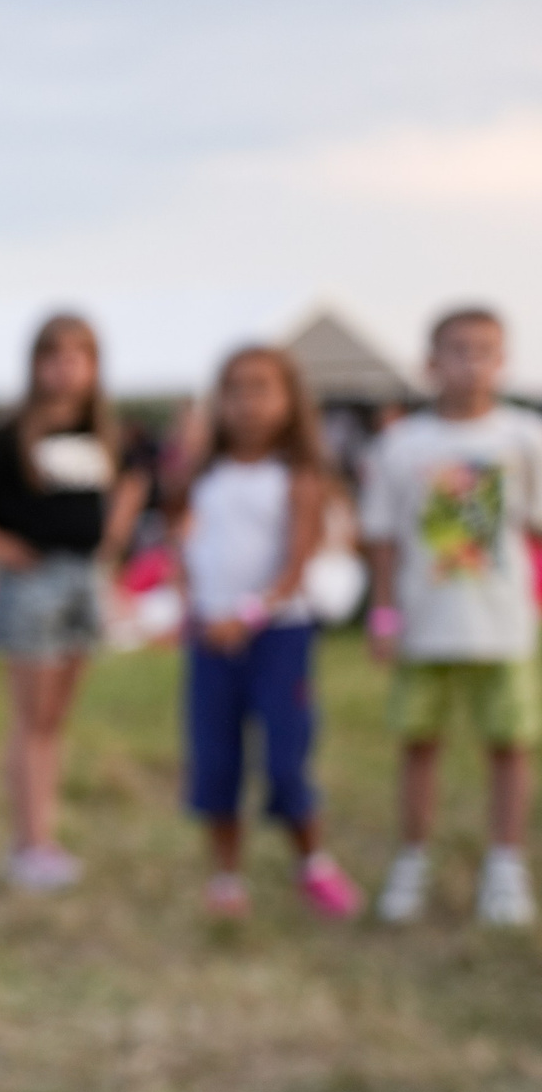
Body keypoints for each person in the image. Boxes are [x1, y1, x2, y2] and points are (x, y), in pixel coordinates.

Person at [0, 313, 152, 891]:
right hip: (31, 582)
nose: (65, 367)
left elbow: (137, 477)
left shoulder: (104, 434)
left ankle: (44, 834)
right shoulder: (10, 436)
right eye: (54, 355)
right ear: (36, 364)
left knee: (56, 717)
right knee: (32, 719)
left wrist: (117, 533)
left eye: (78, 356)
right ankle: (31, 844)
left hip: (84, 579)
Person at [361, 307, 542, 927]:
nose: (470, 362)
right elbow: (382, 538)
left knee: (509, 745)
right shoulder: (402, 444)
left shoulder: (524, 437)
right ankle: (411, 862)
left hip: (503, 626)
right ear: (430, 363)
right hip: (424, 624)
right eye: (456, 350)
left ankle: (505, 868)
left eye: (484, 350)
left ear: (503, 360)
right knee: (419, 742)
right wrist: (382, 611)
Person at [172, 346, 362, 919]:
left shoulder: (298, 478)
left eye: (262, 388)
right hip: (211, 640)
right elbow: (183, 545)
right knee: (215, 759)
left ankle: (313, 863)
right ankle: (225, 880)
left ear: (289, 401)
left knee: (285, 759)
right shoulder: (205, 478)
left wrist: (247, 615)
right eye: (236, 389)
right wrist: (192, 605)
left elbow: (295, 567)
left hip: (278, 637)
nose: (248, 402)